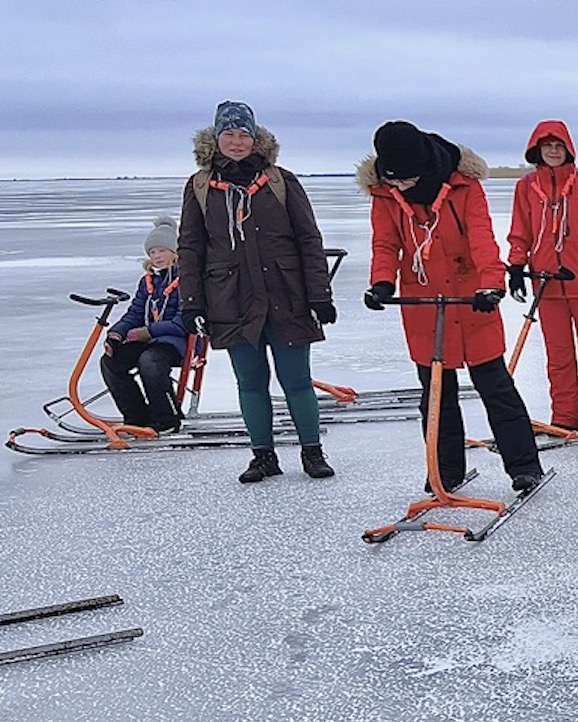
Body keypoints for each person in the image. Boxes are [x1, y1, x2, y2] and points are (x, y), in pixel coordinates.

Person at [360, 121, 544, 493]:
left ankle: (524, 466)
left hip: (471, 299)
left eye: (407, 180)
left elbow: (481, 238)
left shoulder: (463, 186)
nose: (401, 188)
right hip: (424, 304)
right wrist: (382, 282)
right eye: (394, 181)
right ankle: (445, 470)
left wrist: (491, 284)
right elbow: (385, 244)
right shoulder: (384, 194)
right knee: (435, 396)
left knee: (495, 387)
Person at [177, 101, 336, 483]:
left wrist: (319, 295)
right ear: (215, 139)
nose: (236, 142)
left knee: (296, 380)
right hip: (230, 300)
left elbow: (309, 240)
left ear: (256, 138)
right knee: (249, 382)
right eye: (228, 134)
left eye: (243, 134)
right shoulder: (200, 187)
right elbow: (190, 248)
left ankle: (312, 452)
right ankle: (263, 456)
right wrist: (192, 303)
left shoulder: (281, 181)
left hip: (286, 296)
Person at [506, 120, 578, 435]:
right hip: (546, 285)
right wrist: (516, 267)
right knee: (558, 355)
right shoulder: (526, 187)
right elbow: (520, 231)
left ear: (568, 149)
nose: (554, 151)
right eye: (548, 146)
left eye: (559, 146)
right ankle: (565, 416)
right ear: (537, 150)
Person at [100, 217, 188, 433]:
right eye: (152, 252)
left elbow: (183, 322)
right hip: (148, 340)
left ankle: (167, 419)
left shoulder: (187, 279)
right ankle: (136, 417)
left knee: (150, 362)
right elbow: (135, 313)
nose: (157, 256)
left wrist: (148, 332)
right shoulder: (147, 281)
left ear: (175, 252)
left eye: (162, 251)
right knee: (111, 361)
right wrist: (116, 334)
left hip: (177, 342)